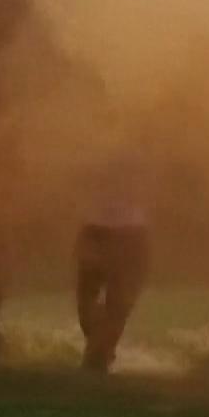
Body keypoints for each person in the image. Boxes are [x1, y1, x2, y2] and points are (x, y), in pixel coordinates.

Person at [75, 151, 152, 373]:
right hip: (100, 229)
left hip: (127, 232)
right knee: (93, 304)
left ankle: (98, 355)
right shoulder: (97, 147)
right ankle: (99, 352)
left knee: (116, 305)